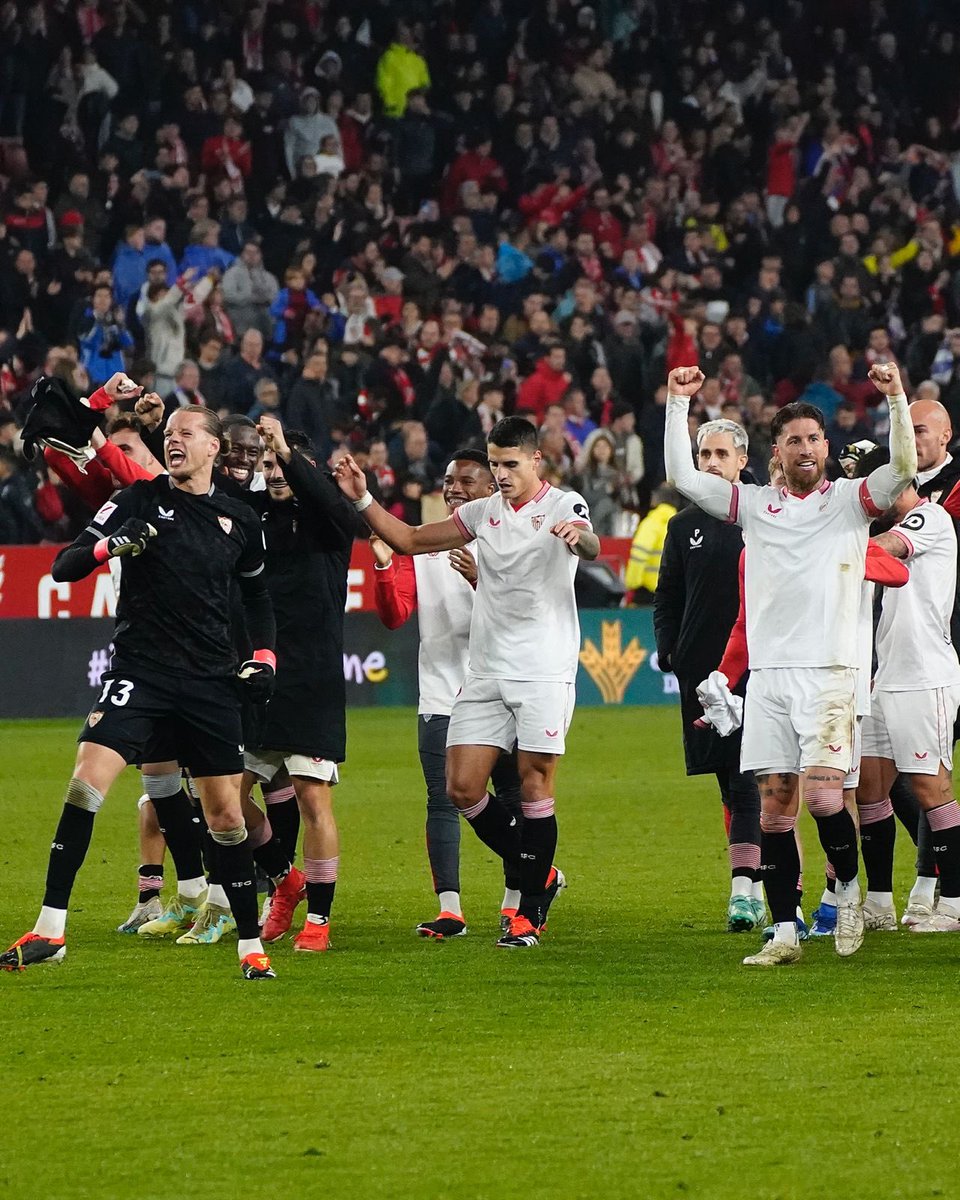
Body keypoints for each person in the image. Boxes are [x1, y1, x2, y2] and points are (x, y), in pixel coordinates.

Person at [0, 407, 279, 981]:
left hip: (209, 683)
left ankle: (249, 944)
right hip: (141, 673)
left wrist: (264, 659)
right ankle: (51, 929)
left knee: (226, 815)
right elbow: (63, 566)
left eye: (185, 435)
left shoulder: (240, 520)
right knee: (85, 781)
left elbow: (258, 600)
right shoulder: (136, 500)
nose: (173, 442)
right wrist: (114, 546)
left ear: (213, 449)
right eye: (168, 434)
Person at [664, 363, 917, 966]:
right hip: (771, 682)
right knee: (776, 810)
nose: (805, 448)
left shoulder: (851, 503)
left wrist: (897, 399)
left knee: (827, 802)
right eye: (794, 440)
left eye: (813, 439)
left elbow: (903, 469)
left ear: (826, 448)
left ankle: (849, 890)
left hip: (830, 676)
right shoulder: (753, 506)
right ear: (777, 452)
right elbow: (680, 474)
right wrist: (678, 405)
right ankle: (783, 933)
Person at [335, 416, 600, 948]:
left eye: (510, 464)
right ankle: (540, 875)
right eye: (495, 464)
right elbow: (409, 539)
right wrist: (363, 500)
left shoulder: (563, 504)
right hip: (486, 672)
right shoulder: (483, 513)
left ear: (535, 461)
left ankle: (526, 914)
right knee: (462, 788)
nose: (501, 474)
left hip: (543, 671)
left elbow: (589, 544)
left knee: (533, 787)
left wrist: (580, 537)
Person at [371, 448, 524, 937]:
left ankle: (518, 896)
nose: (454, 488)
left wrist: (483, 581)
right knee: (443, 799)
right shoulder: (426, 548)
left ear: (490, 489)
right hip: (441, 694)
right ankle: (450, 909)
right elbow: (395, 615)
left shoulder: (511, 543)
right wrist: (382, 569)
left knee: (514, 797)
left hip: (504, 691)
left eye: (467, 481)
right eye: (449, 479)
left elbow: (527, 619)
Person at [239, 415, 356, 952]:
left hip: (312, 679)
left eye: (284, 463)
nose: (275, 471)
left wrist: (288, 451)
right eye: (267, 464)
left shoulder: (329, 519)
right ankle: (286, 879)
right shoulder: (252, 515)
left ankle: (320, 920)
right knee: (225, 799)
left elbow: (339, 508)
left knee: (313, 799)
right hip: (260, 675)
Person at [654, 418, 764, 933]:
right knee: (729, 779)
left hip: (756, 666)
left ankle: (747, 889)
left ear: (743, 460)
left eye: (722, 453)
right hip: (701, 672)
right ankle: (762, 884)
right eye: (705, 454)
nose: (712, 462)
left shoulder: (766, 514)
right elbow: (667, 597)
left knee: (749, 777)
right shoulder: (683, 526)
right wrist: (668, 649)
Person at [858, 480, 960, 932]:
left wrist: (825, 545)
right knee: (869, 788)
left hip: (925, 677)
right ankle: (879, 903)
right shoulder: (897, 521)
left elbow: (890, 546)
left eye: (887, 488)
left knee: (930, 786)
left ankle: (954, 903)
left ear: (909, 485)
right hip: (886, 677)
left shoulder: (930, 517)